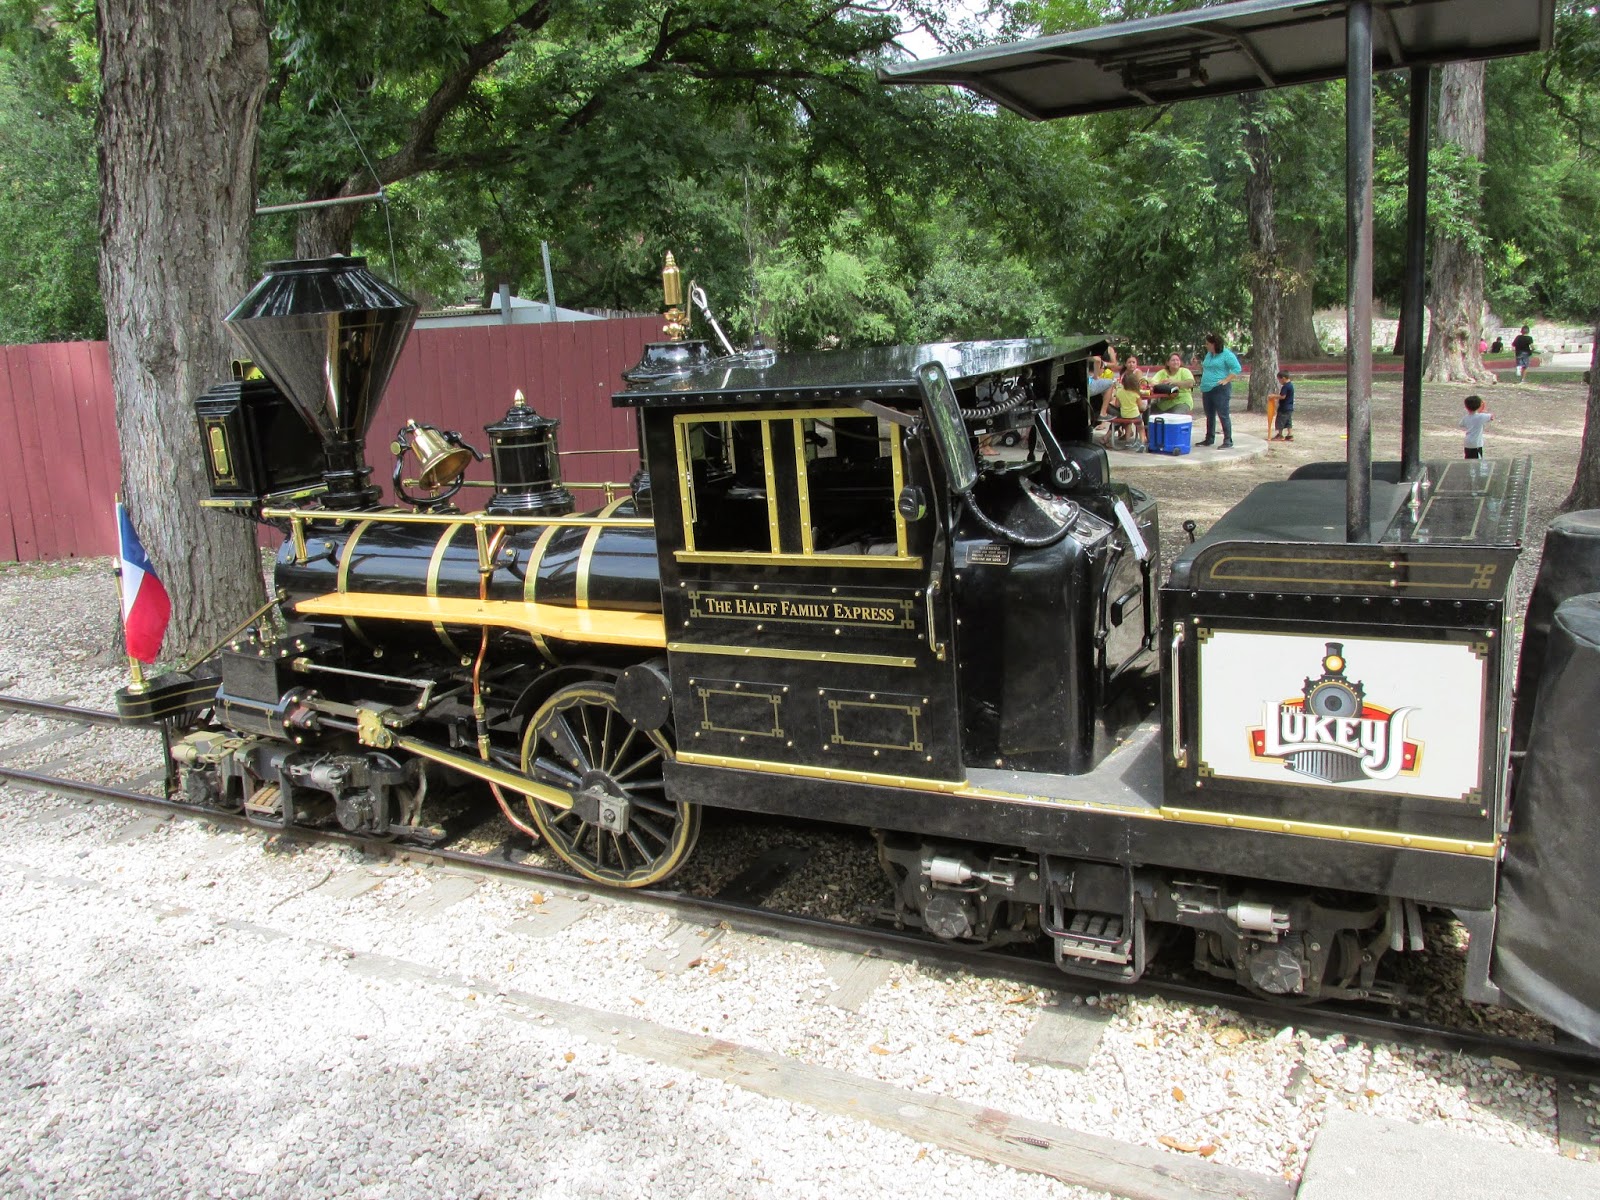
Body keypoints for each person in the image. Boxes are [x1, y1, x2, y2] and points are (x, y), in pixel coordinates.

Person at [1196, 333, 1243, 448]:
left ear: (1214, 344)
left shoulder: (1226, 354)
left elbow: (1237, 368)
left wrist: (1226, 380)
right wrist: (1197, 365)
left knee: (1223, 414)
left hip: (1219, 389)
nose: (1206, 346)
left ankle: (1228, 440)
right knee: (1209, 415)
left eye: (1208, 344)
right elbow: (1206, 369)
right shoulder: (1209, 355)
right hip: (1207, 388)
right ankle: (1209, 438)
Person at [1101, 364, 1146, 451]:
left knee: (1128, 425)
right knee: (1140, 427)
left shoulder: (1119, 392)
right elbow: (1141, 407)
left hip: (1124, 414)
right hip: (1135, 414)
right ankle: (1142, 442)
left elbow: (1117, 405)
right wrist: (1144, 407)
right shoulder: (1136, 394)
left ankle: (1128, 441)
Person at [1460, 394, 1492, 459]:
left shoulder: (1466, 418)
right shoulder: (1481, 416)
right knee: (1477, 461)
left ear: (1466, 407)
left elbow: (1461, 424)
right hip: (1476, 443)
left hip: (1467, 442)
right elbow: (1491, 417)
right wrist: (1481, 410)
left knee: (1468, 459)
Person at [1269, 370, 1295, 441]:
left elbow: (1283, 396)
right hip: (1290, 407)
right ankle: (1290, 435)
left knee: (1280, 421)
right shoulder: (1291, 385)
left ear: (1283, 378)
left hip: (1284, 407)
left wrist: (1273, 396)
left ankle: (1280, 435)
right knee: (1288, 421)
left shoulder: (1285, 387)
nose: (1279, 382)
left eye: (1279, 380)